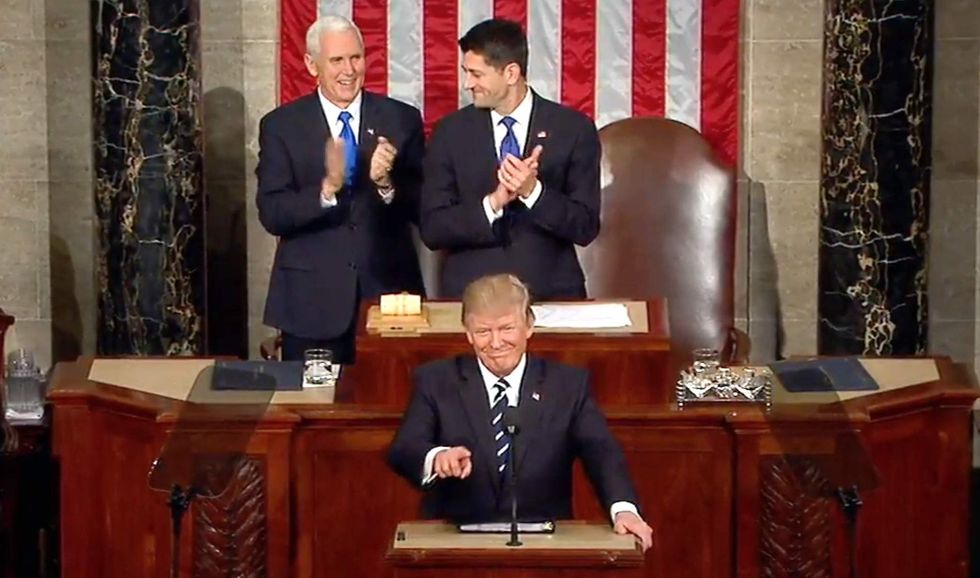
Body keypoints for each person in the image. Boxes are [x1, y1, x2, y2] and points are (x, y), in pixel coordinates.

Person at [387, 274, 653, 551]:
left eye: (506, 328)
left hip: (544, 544)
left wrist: (623, 509)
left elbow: (602, 453)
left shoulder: (567, 385)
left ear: (529, 326)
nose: (496, 342)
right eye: (483, 332)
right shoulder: (437, 380)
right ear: (467, 333)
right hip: (454, 541)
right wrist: (436, 458)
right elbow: (404, 449)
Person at [256, 15, 426, 363]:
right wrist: (327, 190)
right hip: (310, 304)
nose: (349, 70)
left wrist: (385, 184)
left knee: (393, 410)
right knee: (315, 410)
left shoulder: (401, 120)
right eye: (337, 60)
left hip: (388, 298)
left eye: (356, 58)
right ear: (311, 64)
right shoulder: (281, 126)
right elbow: (273, 214)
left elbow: (424, 209)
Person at [419, 19, 601, 300]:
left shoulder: (573, 129)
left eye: (477, 74)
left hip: (549, 295)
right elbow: (433, 229)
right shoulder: (450, 132)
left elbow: (585, 227)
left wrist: (533, 192)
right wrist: (492, 204)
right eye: (466, 72)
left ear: (511, 73)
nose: (468, 84)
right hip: (471, 300)